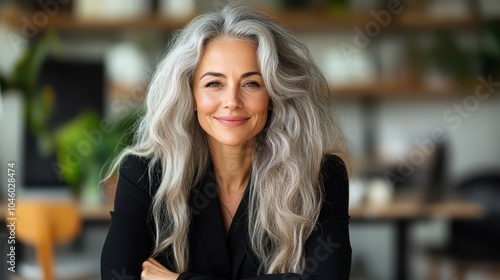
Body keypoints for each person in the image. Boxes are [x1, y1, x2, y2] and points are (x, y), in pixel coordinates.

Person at [101, 5, 351, 280]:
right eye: (214, 84)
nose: (232, 101)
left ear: (274, 95)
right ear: (190, 95)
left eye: (251, 84)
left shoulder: (322, 175)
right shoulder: (143, 175)